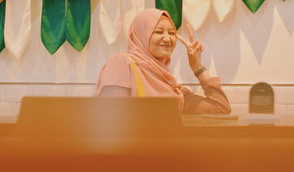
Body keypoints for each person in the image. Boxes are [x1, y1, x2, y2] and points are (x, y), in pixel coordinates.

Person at [94, 8, 231, 114]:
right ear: (141, 35)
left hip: (165, 149)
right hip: (131, 150)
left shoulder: (171, 87)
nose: (167, 38)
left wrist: (197, 66)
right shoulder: (122, 63)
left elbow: (220, 108)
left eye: (171, 33)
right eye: (159, 32)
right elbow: (112, 119)